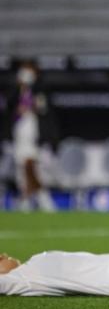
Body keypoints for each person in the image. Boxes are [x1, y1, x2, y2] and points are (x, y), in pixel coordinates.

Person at [11, 61, 55, 212]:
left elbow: (43, 110)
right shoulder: (15, 93)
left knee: (32, 169)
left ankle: (42, 200)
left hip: (34, 140)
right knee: (21, 173)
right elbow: (10, 109)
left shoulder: (39, 92)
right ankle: (26, 201)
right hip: (18, 139)